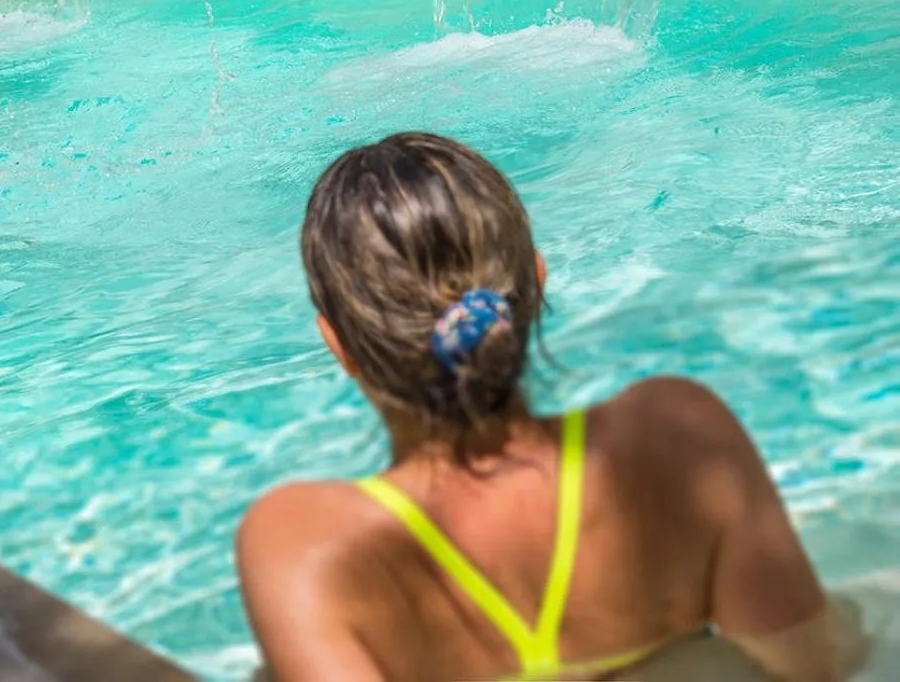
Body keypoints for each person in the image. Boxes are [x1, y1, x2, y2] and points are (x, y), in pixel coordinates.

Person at [236, 132, 868, 682]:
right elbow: (821, 665)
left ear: (338, 344)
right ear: (534, 283)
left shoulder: (305, 547)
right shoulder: (680, 436)